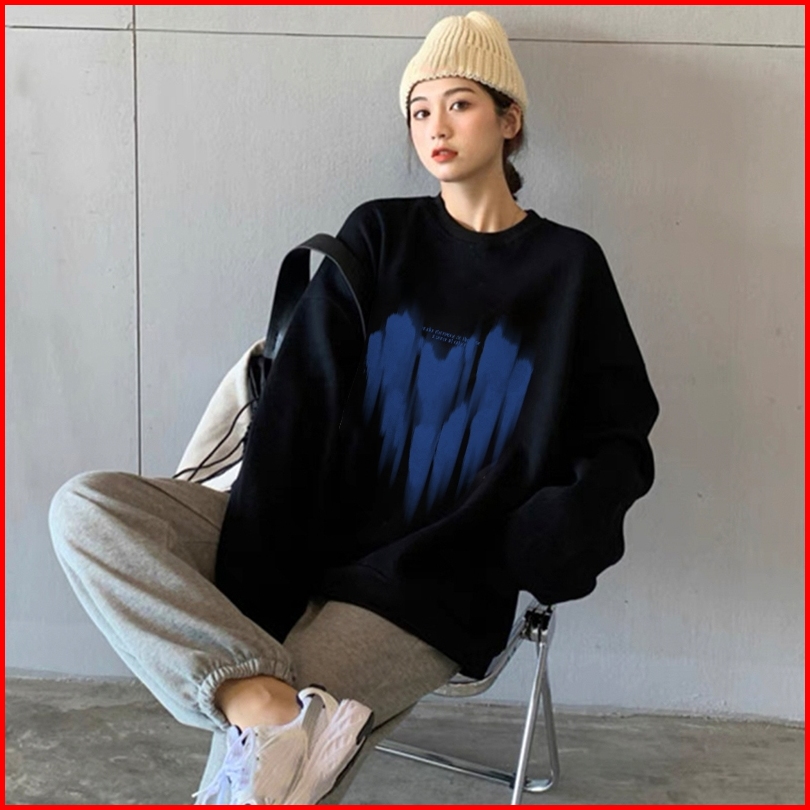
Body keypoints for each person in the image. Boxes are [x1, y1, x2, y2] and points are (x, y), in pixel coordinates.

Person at [49, 10, 660, 806]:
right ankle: (262, 700)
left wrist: (547, 539)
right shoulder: (379, 234)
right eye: (419, 110)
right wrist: (262, 587)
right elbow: (298, 404)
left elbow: (619, 435)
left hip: (432, 578)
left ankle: (273, 709)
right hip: (303, 531)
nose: (435, 126)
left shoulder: (568, 268)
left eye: (460, 103)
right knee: (87, 511)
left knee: (266, 779)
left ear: (509, 120)